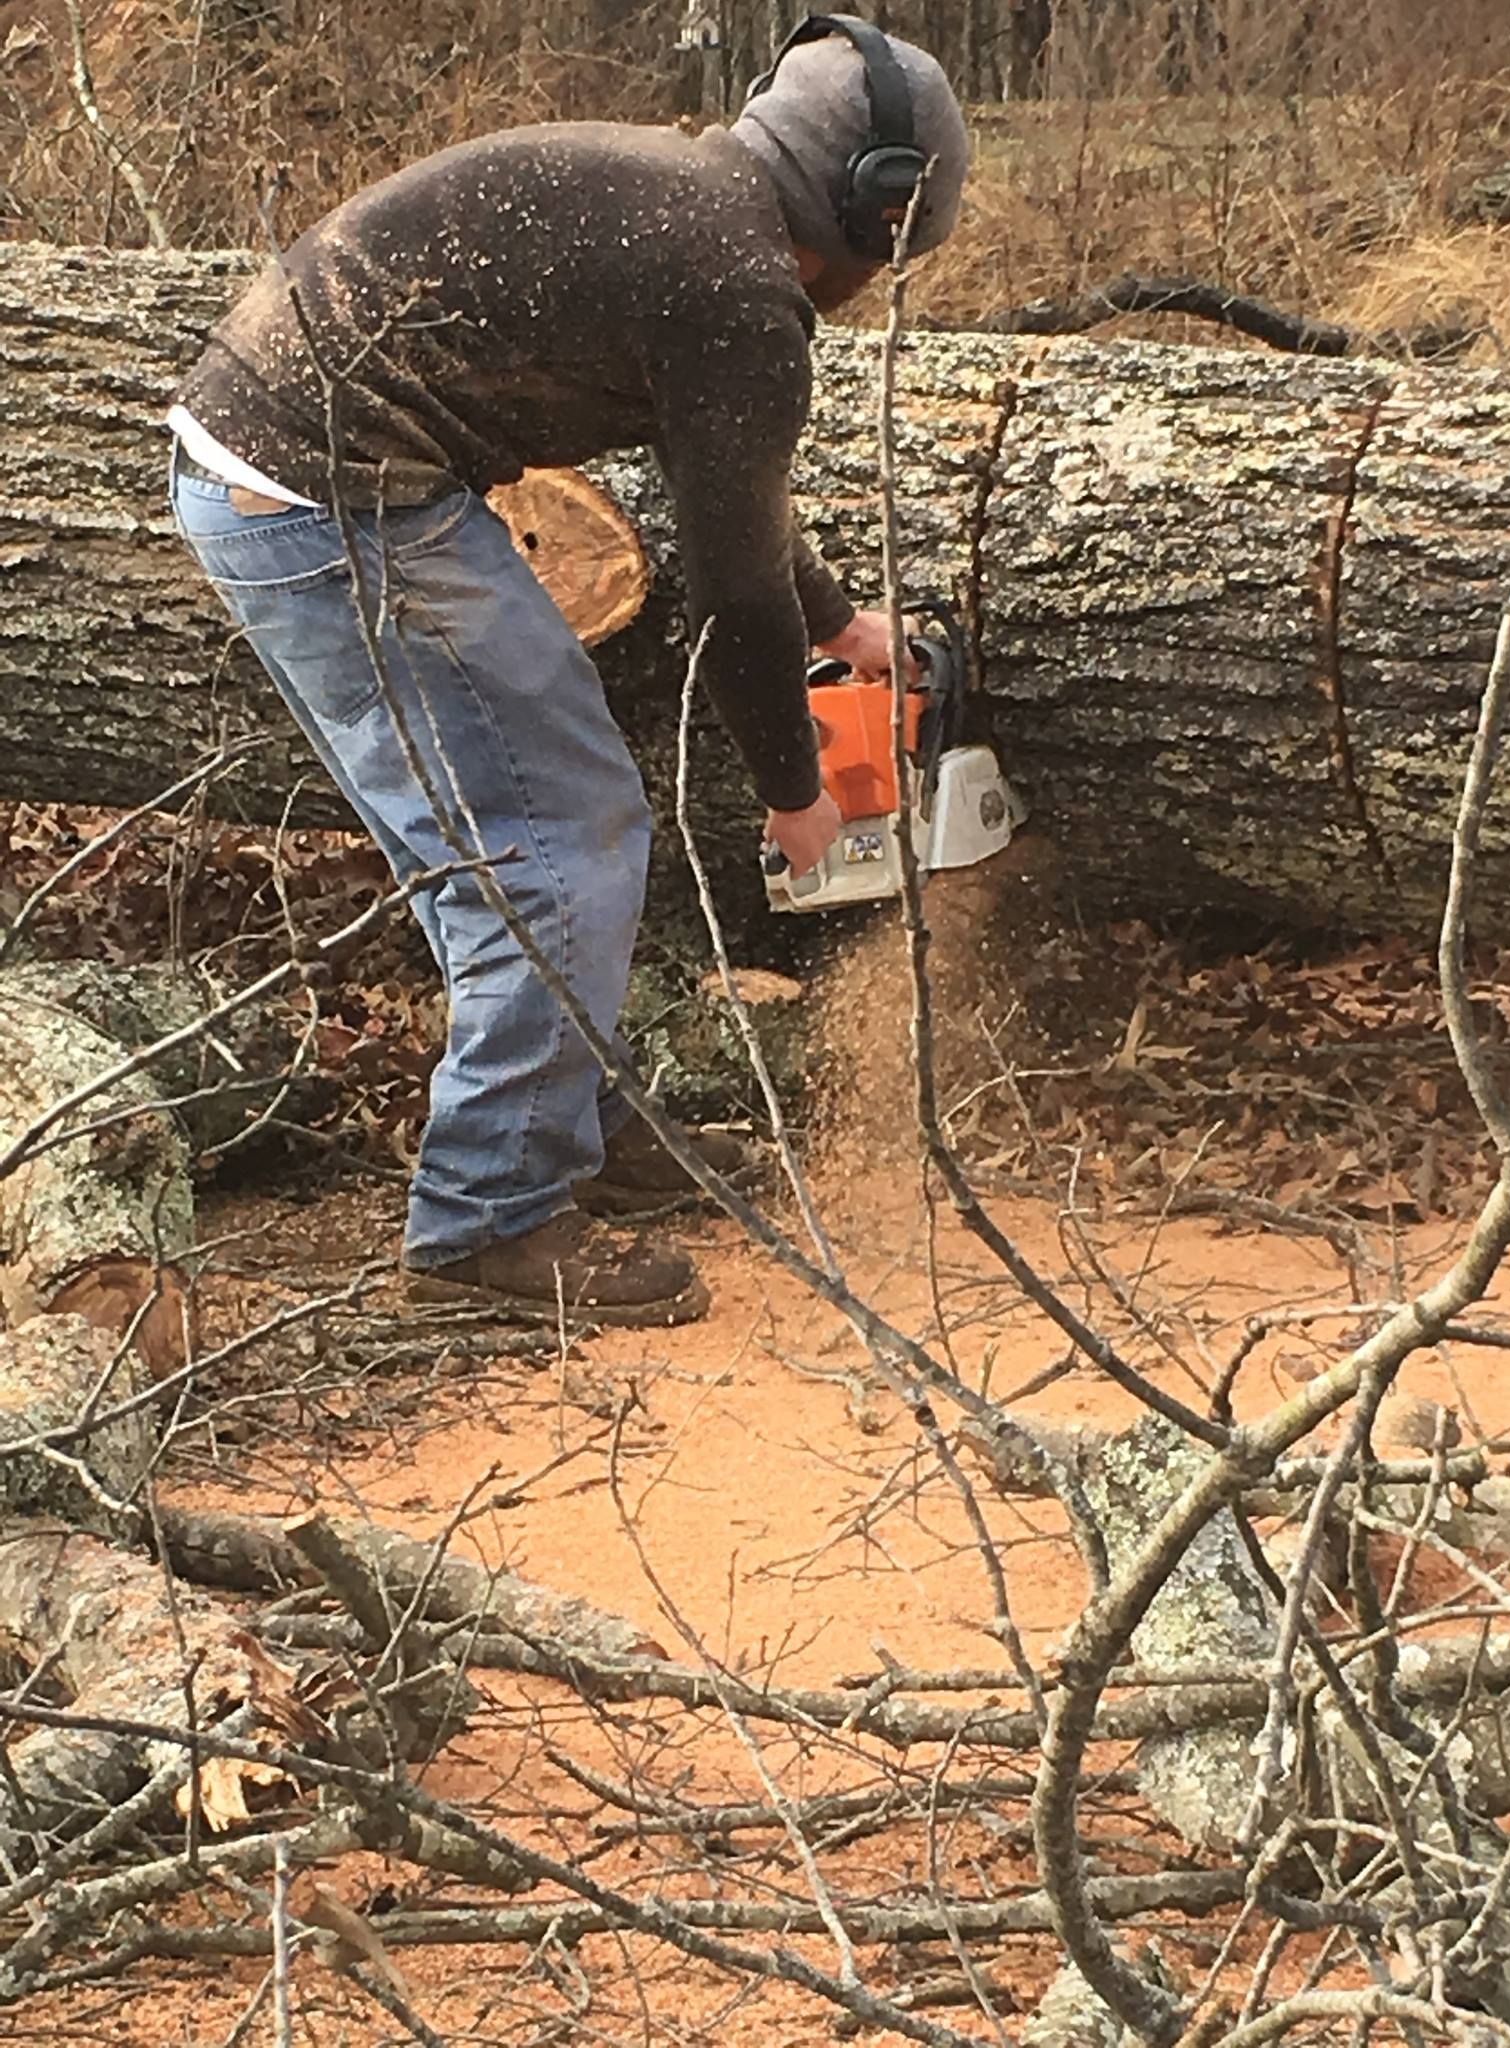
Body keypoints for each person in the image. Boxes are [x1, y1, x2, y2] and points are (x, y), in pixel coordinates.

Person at [168, 13, 968, 1327]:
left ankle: (573, 1128)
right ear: (876, 218)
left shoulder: (697, 199)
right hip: (327, 501)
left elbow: (733, 498)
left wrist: (838, 629)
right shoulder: (741, 291)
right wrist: (795, 792)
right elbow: (734, 583)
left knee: (540, 824)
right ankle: (488, 1218)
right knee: (558, 835)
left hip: (294, 468)